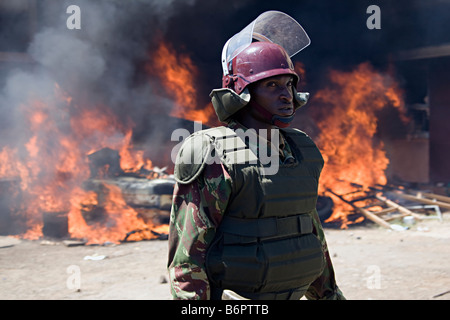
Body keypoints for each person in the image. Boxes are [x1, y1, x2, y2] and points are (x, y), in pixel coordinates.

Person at [167, 11, 344, 300]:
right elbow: (188, 260)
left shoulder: (303, 150)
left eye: (288, 84)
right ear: (242, 91)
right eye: (271, 85)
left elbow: (310, 235)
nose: (286, 94)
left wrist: (329, 296)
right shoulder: (214, 153)